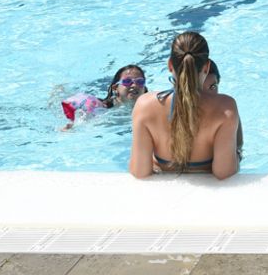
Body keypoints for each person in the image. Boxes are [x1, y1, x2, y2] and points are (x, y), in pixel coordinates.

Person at [128, 32, 241, 179]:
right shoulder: (225, 108)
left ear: (170, 65)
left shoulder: (145, 105)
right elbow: (224, 173)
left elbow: (140, 172)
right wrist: (237, 153)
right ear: (206, 68)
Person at [62, 64, 148, 125]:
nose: (134, 85)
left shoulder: (150, 109)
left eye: (140, 82)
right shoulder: (99, 109)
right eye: (127, 82)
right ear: (115, 88)